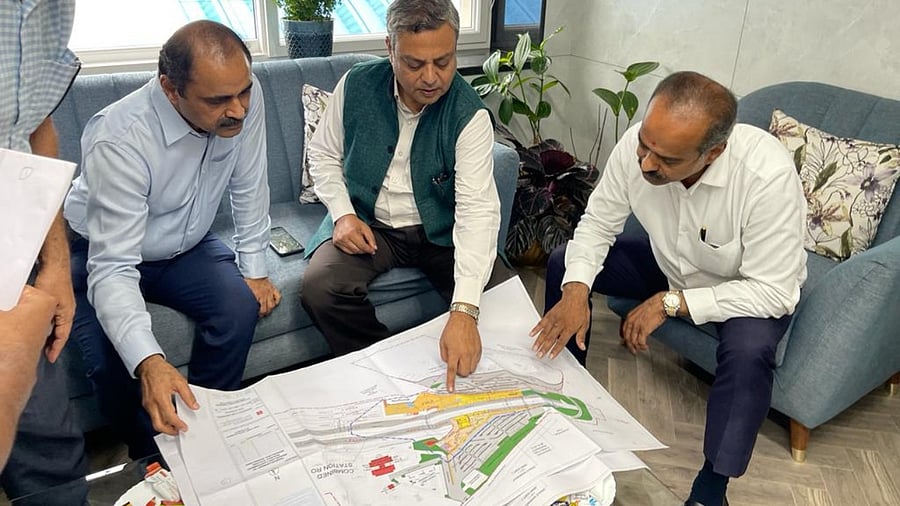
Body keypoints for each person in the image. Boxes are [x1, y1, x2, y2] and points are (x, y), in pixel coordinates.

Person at [530, 71, 807, 506]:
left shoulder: (765, 177)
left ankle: (711, 488)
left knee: (750, 352)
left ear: (713, 152)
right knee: (567, 265)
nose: (645, 164)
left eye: (666, 160)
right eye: (645, 146)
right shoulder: (639, 146)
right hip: (670, 266)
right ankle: (568, 399)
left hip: (744, 290)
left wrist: (670, 303)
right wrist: (577, 291)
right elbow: (597, 224)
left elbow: (773, 291)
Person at [65, 20, 281, 459]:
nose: (238, 110)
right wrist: (150, 361)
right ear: (170, 89)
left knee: (238, 307)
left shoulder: (243, 95)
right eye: (218, 100)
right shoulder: (119, 138)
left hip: (187, 246)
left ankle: (203, 432)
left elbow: (249, 183)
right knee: (110, 361)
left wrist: (255, 269)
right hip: (99, 249)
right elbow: (114, 267)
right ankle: (151, 457)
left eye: (243, 93)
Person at [302, 0, 510, 393]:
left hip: (442, 232)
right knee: (321, 288)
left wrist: (465, 310)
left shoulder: (470, 114)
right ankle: (384, 375)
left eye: (443, 62)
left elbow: (477, 211)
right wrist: (343, 214)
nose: (431, 77)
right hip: (371, 225)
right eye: (414, 64)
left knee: (503, 297)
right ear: (390, 48)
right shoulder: (357, 84)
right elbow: (323, 153)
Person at [0, 0, 88, 503]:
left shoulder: (55, 9)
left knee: (51, 449)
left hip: (21, 255)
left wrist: (55, 262)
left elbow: (36, 129)